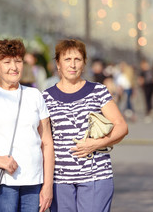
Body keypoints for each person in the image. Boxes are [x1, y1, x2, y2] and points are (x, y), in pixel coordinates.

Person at [0, 39, 54, 212]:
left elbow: (47, 142)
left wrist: (48, 185)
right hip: (2, 180)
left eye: (18, 61)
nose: (13, 67)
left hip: (34, 181)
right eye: (6, 62)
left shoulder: (35, 95)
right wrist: (0, 160)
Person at [42, 39, 128, 212]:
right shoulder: (45, 97)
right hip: (60, 180)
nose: (72, 65)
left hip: (96, 176)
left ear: (84, 63)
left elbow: (121, 126)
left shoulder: (98, 91)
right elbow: (44, 141)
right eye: (67, 60)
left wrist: (96, 144)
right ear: (58, 64)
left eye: (77, 59)